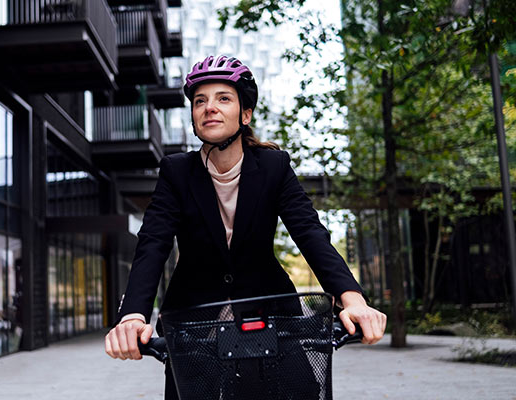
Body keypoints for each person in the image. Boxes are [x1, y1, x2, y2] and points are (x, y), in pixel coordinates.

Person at [105, 55, 387, 398]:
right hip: (194, 321)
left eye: (223, 98)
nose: (210, 107)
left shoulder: (274, 166)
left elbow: (310, 233)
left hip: (269, 317)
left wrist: (352, 299)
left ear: (246, 114)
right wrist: (133, 314)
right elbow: (153, 242)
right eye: (200, 101)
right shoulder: (176, 172)